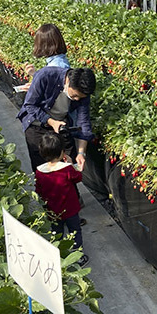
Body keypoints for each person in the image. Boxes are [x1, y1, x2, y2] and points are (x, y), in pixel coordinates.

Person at [17, 67, 96, 172]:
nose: (77, 99)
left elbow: (84, 121)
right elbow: (30, 105)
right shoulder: (46, 75)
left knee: (68, 167)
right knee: (43, 169)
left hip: (61, 125)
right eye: (75, 95)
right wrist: (51, 122)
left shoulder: (83, 91)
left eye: (80, 98)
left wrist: (81, 153)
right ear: (68, 82)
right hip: (37, 125)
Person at [35, 132, 88, 266]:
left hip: (52, 210)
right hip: (70, 209)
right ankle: (77, 257)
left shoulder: (40, 171)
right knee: (74, 231)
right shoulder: (66, 169)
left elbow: (38, 189)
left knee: (56, 232)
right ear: (61, 153)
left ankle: (56, 255)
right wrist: (72, 164)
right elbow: (78, 178)